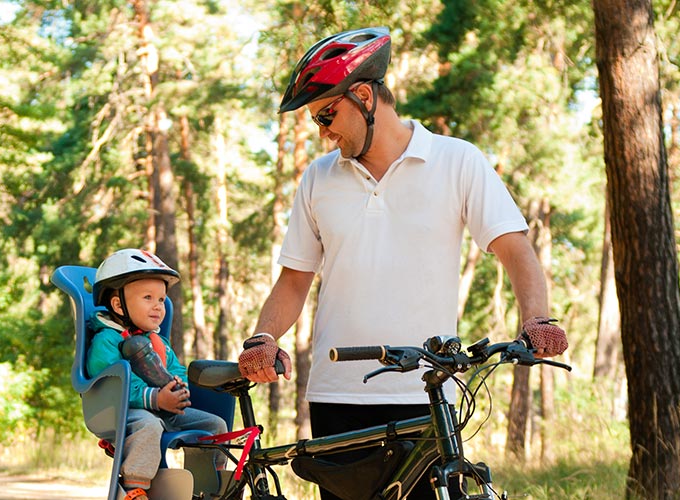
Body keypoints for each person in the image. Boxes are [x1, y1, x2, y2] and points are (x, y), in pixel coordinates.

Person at [236, 26, 569, 499]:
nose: (323, 131)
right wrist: (264, 337)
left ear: (366, 96)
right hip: (337, 397)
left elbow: (514, 248)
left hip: (426, 393)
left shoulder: (457, 161)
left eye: (327, 114)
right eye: (316, 120)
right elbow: (294, 280)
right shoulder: (319, 178)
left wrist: (536, 318)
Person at [87, 248, 228, 500]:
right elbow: (110, 384)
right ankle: (134, 489)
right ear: (118, 304)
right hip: (126, 412)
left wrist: (178, 387)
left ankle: (211, 486)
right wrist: (155, 398)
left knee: (216, 425)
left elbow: (175, 369)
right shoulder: (107, 340)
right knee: (148, 425)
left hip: (166, 409)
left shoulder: (156, 341)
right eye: (148, 298)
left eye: (162, 300)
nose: (157, 307)